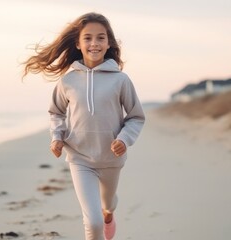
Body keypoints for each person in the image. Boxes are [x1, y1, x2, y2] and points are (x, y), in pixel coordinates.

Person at [23, 12, 145, 240]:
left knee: (108, 204)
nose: (94, 43)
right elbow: (56, 112)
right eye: (87, 38)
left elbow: (136, 117)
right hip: (80, 158)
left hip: (111, 159)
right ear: (78, 44)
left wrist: (124, 139)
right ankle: (102, 219)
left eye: (101, 38)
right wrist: (57, 137)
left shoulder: (121, 80)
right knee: (93, 221)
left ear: (109, 43)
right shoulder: (68, 81)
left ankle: (110, 213)